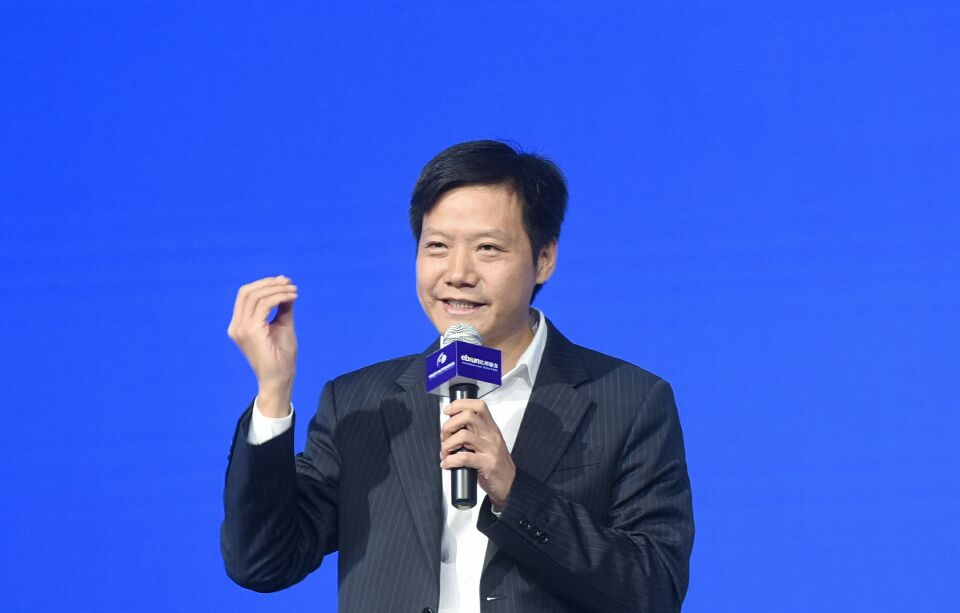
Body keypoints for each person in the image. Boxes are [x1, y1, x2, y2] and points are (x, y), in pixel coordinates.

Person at [221, 140, 694, 612]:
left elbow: (654, 590)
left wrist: (514, 490)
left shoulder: (629, 401)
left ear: (544, 258)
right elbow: (262, 562)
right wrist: (273, 394)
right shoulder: (360, 403)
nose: (457, 273)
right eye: (437, 247)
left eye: (488, 248)